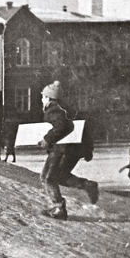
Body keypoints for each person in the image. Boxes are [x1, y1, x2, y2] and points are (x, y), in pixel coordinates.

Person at [37, 81, 99, 221]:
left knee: (47, 178)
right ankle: (86, 185)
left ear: (49, 98)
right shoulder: (69, 109)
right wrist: (88, 149)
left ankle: (59, 207)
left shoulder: (54, 110)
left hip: (61, 150)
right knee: (60, 176)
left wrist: (47, 139)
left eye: (43, 97)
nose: (42, 100)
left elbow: (61, 127)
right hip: (73, 149)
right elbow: (83, 128)